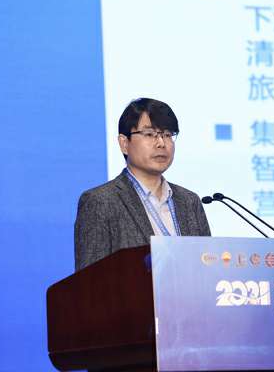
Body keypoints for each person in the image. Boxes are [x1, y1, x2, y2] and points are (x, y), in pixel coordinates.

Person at [74, 98, 211, 271]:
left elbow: (208, 269)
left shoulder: (190, 202)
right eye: (149, 134)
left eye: (167, 134)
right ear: (124, 143)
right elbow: (90, 279)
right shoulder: (100, 202)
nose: (161, 143)